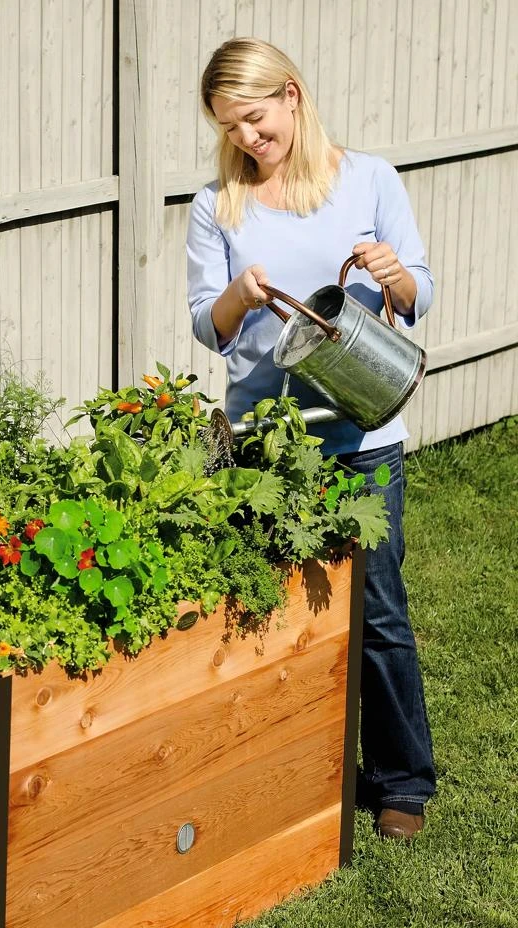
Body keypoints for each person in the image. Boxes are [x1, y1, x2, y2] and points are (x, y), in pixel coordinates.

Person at [187, 37, 436, 840]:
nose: (246, 139)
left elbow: (419, 294)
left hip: (363, 437)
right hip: (263, 445)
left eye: (255, 119)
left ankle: (400, 782)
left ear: (291, 96)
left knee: (378, 610)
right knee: (266, 611)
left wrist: (394, 273)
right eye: (229, 127)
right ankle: (285, 772)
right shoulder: (217, 206)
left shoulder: (370, 179)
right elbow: (208, 327)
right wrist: (239, 293)